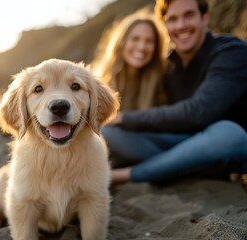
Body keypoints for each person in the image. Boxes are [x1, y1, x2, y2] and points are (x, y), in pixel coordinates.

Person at [102, 0, 247, 184]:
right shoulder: (168, 65)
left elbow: (199, 111)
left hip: (224, 145)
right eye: (173, 19)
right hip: (182, 146)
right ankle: (175, 167)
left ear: (205, 17)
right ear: (165, 25)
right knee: (107, 132)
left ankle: (122, 176)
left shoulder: (230, 52)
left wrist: (124, 118)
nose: (181, 25)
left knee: (228, 133)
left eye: (189, 15)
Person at [91, 11, 167, 111]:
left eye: (149, 41)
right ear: (121, 42)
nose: (142, 47)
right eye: (135, 39)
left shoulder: (163, 81)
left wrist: (122, 118)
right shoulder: (97, 82)